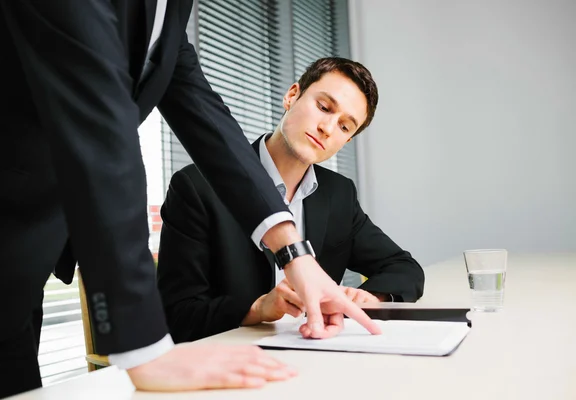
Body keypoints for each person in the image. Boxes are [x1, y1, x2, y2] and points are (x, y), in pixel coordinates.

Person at [0, 2, 378, 399]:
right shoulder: (192, 190)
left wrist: (294, 253)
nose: (328, 128)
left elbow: (202, 111)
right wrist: (146, 350)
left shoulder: (169, 11)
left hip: (12, 268)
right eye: (324, 107)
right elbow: (101, 126)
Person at [157, 57, 425, 343]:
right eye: (324, 107)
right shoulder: (197, 187)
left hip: (316, 352)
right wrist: (258, 308)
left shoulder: (338, 193)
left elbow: (404, 268)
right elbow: (177, 317)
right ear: (292, 95)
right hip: (233, 359)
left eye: (345, 127)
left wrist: (370, 296)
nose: (328, 128)